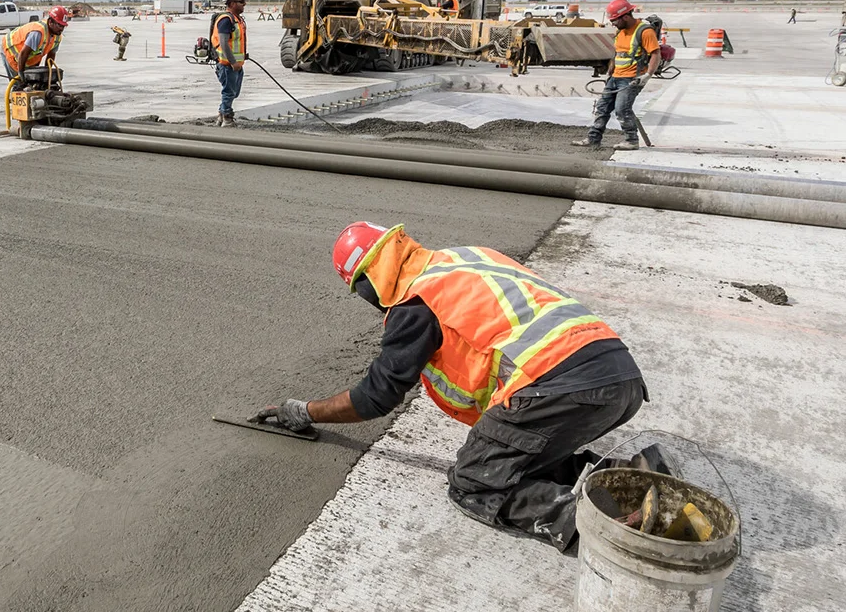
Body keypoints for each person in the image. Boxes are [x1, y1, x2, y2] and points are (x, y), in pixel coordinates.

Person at [256, 222, 646, 553]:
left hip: (559, 383)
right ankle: (635, 481)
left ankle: (620, 534)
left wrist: (304, 411)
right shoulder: (466, 258)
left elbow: (376, 396)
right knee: (516, 456)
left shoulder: (415, 302)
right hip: (618, 374)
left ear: (366, 283)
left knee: (475, 482)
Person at [581, 0, 660, 150]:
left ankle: (631, 140)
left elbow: (656, 54)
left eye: (615, 20)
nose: (613, 23)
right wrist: (610, 70)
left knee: (622, 109)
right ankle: (593, 139)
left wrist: (647, 75)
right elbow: (618, 53)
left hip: (632, 78)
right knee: (602, 108)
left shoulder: (644, 31)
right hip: (616, 76)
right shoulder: (620, 31)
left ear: (625, 16)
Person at [2, 6, 71, 88]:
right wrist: (21, 73)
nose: (61, 29)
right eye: (59, 25)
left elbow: (51, 57)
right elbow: (23, 53)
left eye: (63, 26)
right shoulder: (38, 33)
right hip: (11, 52)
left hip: (28, 58)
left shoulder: (57, 37)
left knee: (35, 84)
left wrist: (47, 76)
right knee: (20, 86)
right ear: (50, 22)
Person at [210, 0, 249, 126]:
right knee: (229, 92)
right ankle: (227, 117)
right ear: (232, 3)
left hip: (236, 64)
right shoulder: (226, 20)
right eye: (241, 2)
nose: (244, 4)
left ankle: (221, 114)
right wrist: (233, 62)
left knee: (233, 92)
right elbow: (224, 42)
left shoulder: (237, 19)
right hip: (228, 65)